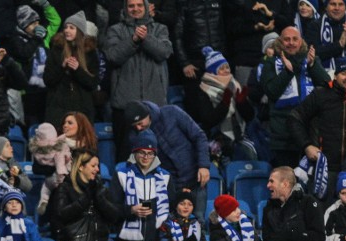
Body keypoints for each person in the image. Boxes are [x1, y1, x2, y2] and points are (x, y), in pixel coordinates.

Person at [289, 57, 346, 196]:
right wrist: (307, 145)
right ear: (335, 76)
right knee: (321, 214)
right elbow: (295, 118)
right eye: (344, 73)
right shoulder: (320, 94)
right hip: (324, 168)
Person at [105, 0, 173, 159]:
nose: (135, 9)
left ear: (147, 7)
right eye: (131, 6)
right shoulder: (115, 30)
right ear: (125, 8)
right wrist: (133, 40)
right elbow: (113, 56)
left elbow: (163, 53)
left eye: (139, 5)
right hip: (124, 106)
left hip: (155, 106)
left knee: (157, 157)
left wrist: (146, 38)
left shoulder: (160, 29)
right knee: (125, 156)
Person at [123, 100, 210, 220]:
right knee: (170, 227)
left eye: (140, 122)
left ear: (147, 114)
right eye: (135, 125)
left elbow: (199, 136)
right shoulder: (135, 136)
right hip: (170, 188)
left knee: (198, 221)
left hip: (196, 180)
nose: (138, 128)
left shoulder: (172, 112)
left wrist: (203, 165)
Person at [260, 26, 330, 168]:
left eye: (294, 39)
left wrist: (312, 65)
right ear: (280, 42)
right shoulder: (271, 63)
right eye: (287, 39)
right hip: (283, 136)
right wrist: (287, 72)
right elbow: (271, 92)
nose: (291, 43)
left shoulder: (311, 60)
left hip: (309, 133)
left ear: (301, 41)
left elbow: (326, 85)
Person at [48, 150, 120, 241]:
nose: (97, 169)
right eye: (93, 166)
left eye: (97, 165)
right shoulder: (65, 188)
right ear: (81, 167)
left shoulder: (100, 189)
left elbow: (114, 216)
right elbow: (62, 215)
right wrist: (86, 197)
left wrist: (98, 198)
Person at [111, 129, 174, 241]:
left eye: (150, 153)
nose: (146, 157)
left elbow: (171, 208)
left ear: (155, 154)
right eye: (142, 152)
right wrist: (131, 210)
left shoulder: (165, 177)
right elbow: (111, 209)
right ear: (134, 153)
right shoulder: (121, 174)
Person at [187, 46, 255, 165]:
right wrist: (224, 103)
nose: (226, 71)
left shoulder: (235, 85)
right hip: (217, 140)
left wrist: (242, 103)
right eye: (221, 68)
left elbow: (250, 117)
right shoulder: (204, 90)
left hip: (241, 136)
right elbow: (208, 120)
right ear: (213, 71)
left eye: (227, 67)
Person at [261, 165, 327, 241]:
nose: (268, 185)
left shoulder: (307, 202)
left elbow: (319, 236)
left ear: (285, 184)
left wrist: (291, 234)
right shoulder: (269, 209)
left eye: (272, 181)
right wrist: (279, 239)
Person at [44, 10, 99, 126]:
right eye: (66, 27)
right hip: (58, 110)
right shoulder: (56, 50)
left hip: (82, 111)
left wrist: (78, 70)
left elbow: (93, 83)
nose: (67, 30)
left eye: (71, 28)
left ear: (79, 31)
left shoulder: (90, 53)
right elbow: (48, 80)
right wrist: (62, 67)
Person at [225, 0, 291, 85]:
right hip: (246, 59)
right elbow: (231, 28)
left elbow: (288, 25)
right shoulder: (238, 3)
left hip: (274, 60)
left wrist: (272, 15)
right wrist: (255, 27)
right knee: (245, 96)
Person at [172, 0, 227, 87]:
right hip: (195, 63)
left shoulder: (219, 2)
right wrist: (185, 63)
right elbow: (177, 35)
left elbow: (225, 29)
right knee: (197, 98)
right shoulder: (184, 3)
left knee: (219, 98)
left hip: (218, 59)